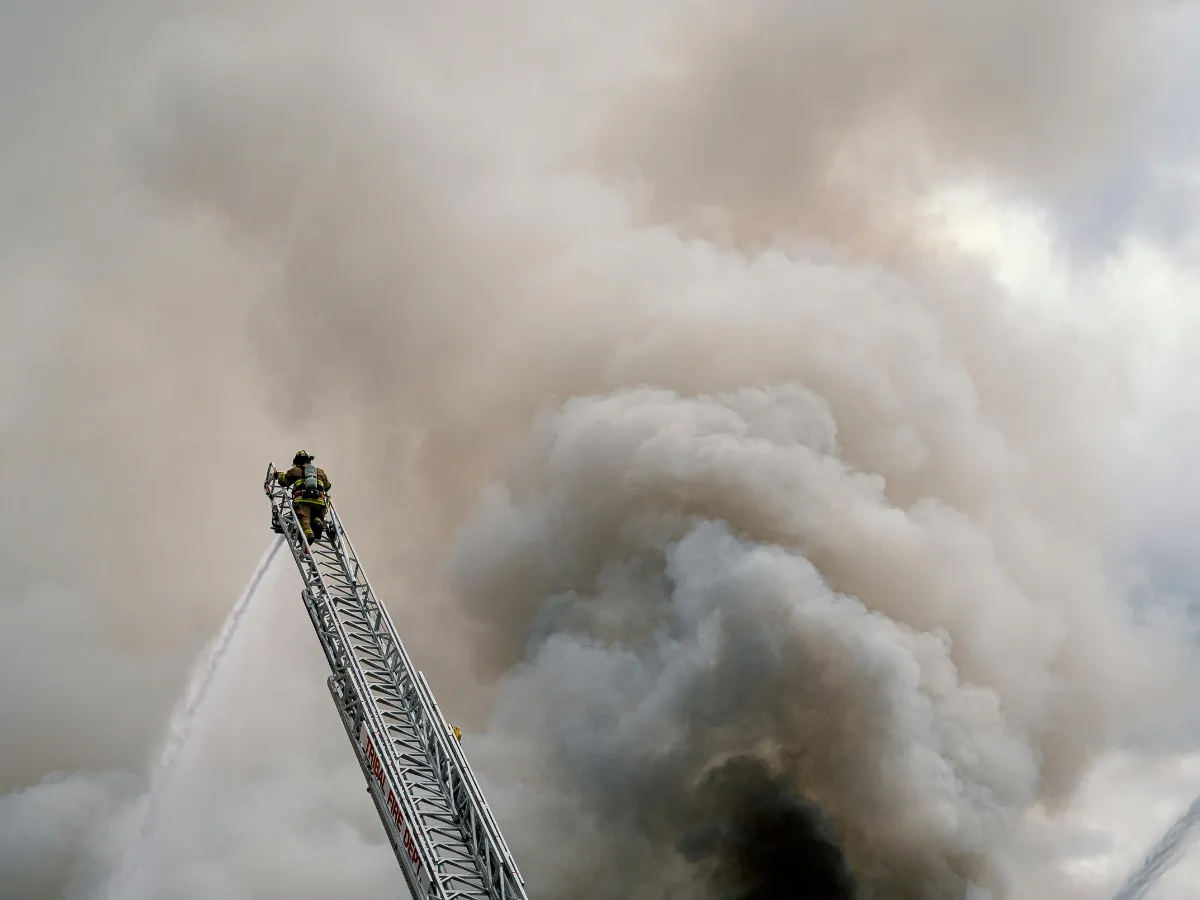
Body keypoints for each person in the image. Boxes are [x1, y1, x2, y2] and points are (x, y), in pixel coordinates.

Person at [275, 450, 332, 544]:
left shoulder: (295, 471)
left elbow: (284, 481)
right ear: (309, 460)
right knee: (318, 515)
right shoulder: (320, 472)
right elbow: (328, 486)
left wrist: (279, 475)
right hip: (319, 501)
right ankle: (317, 521)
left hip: (302, 501)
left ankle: (308, 535)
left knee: (303, 518)